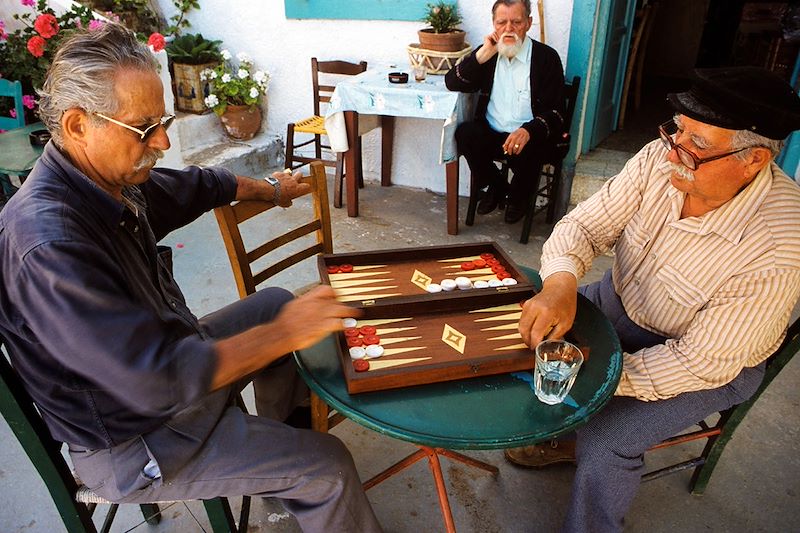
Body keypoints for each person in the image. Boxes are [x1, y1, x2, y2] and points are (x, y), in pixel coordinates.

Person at [0, 24, 382, 532]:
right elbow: (158, 381)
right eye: (144, 127)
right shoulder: (49, 246)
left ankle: (275, 471)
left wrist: (271, 190)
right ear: (76, 125)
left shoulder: (104, 177)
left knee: (272, 304)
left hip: (169, 365)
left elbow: (198, 185)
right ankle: (297, 476)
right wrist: (288, 335)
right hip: (135, 437)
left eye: (163, 121)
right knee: (328, 466)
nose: (160, 141)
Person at [507, 65, 800, 532]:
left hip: (710, 364)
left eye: (698, 145)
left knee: (608, 440)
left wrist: (595, 378)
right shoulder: (661, 158)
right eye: (677, 130)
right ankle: (568, 435)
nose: (676, 152)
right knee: (523, 329)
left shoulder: (779, 248)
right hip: (616, 301)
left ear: (755, 160)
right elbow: (585, 226)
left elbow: (700, 362)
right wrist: (559, 286)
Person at [445, 0, 565, 224]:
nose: (508, 29)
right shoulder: (489, 56)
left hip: (528, 137)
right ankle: (498, 186)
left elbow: (557, 113)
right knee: (465, 133)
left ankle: (518, 198)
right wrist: (482, 55)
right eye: (502, 22)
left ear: (528, 23)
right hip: (493, 132)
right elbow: (452, 82)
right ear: (494, 24)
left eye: (516, 22)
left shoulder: (546, 58)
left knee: (535, 145)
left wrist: (528, 130)